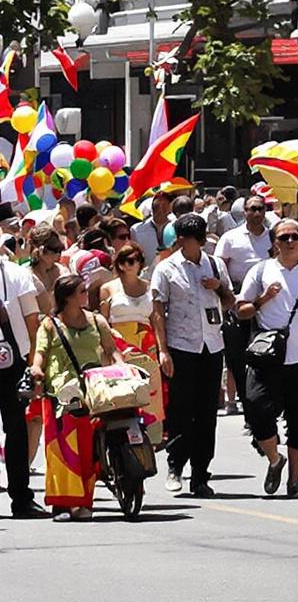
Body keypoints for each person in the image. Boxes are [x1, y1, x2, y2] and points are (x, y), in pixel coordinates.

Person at [236, 219, 298, 499]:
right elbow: (242, 310)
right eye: (284, 237)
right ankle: (275, 459)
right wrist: (263, 299)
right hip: (268, 357)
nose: (290, 241)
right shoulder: (261, 270)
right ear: (274, 242)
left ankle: (294, 481)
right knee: (256, 410)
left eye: (295, 236)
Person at [33, 275, 121, 521]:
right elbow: (40, 354)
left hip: (93, 385)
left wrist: (123, 369)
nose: (86, 295)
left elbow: (111, 350)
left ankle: (83, 502)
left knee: (88, 446)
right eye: (82, 291)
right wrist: (37, 370)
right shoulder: (49, 325)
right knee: (64, 447)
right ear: (68, 297)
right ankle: (64, 503)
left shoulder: (96, 320)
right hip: (63, 390)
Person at [149, 213, 225, 498]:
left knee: (207, 413)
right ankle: (175, 465)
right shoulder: (166, 269)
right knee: (182, 410)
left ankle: (201, 474)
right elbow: (157, 311)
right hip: (182, 346)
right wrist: (163, 350)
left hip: (212, 346)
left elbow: (229, 300)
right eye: (189, 239)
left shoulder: (214, 264)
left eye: (198, 239)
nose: (195, 244)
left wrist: (219, 288)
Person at [101, 242, 165, 450]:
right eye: (121, 262)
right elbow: (102, 322)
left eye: (131, 261)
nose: (126, 266)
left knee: (151, 390)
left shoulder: (149, 287)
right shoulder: (108, 288)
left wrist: (163, 349)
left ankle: (152, 436)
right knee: (123, 391)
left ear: (139, 263)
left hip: (147, 343)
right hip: (118, 342)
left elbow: (156, 319)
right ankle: (123, 435)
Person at [217, 194, 272, 416]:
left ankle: (264, 399)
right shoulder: (231, 238)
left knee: (265, 352)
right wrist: (229, 296)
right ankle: (237, 400)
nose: (256, 213)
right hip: (238, 301)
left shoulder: (274, 237)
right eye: (252, 209)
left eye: (260, 208)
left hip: (267, 301)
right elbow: (220, 266)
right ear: (244, 211)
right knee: (236, 355)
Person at [0, 231, 42, 517]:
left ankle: (22, 498)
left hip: (12, 362)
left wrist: (33, 363)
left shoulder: (16, 275)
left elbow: (32, 320)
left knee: (16, 429)